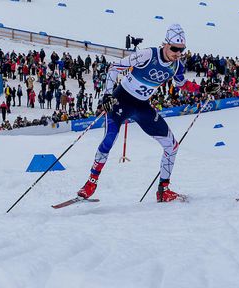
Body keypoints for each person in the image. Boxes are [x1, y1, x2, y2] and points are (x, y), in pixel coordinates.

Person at [77, 24, 199, 203]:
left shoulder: (177, 65)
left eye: (181, 50)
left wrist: (200, 88)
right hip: (121, 100)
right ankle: (90, 183)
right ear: (165, 44)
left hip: (142, 106)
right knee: (110, 138)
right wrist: (107, 94)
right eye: (174, 49)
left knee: (172, 146)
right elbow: (115, 67)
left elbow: (181, 84)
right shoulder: (148, 54)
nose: (177, 53)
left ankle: (163, 190)